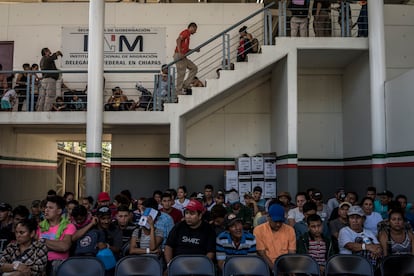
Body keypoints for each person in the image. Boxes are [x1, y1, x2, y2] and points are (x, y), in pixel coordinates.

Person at [164, 199, 216, 264]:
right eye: (186, 213)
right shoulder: (179, 226)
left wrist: (202, 266)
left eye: (192, 213)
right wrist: (169, 264)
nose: (188, 216)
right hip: (179, 264)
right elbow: (168, 246)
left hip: (199, 265)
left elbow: (211, 252)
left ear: (200, 216)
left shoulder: (209, 229)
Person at [38, 195, 76, 276]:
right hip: (40, 262)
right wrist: (55, 244)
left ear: (59, 211)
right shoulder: (40, 226)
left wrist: (42, 241)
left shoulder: (68, 226)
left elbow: (64, 246)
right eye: (46, 207)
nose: (46, 210)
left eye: (50, 208)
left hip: (58, 264)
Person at [253, 203, 296, 271]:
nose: (278, 224)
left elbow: (291, 252)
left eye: (280, 221)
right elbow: (262, 254)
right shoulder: (258, 230)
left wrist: (289, 268)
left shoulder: (290, 230)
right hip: (265, 266)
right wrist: (274, 270)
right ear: (268, 218)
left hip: (285, 264)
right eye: (275, 221)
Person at [174, 22, 198, 95]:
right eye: (195, 29)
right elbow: (178, 40)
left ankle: (185, 84)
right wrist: (180, 52)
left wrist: (194, 50)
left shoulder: (188, 36)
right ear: (192, 27)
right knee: (181, 73)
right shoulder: (186, 32)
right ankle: (178, 91)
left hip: (183, 56)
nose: (195, 31)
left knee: (194, 68)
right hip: (179, 55)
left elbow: (185, 49)